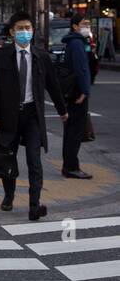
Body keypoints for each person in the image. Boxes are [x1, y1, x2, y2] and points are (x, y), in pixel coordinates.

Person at [0, 12, 68, 220]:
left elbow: (53, 85)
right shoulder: (1, 56)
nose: (25, 32)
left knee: (35, 160)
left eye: (28, 28)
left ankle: (34, 204)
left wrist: (62, 110)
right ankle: (9, 196)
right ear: (12, 32)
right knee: (8, 159)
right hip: (8, 116)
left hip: (33, 115)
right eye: (21, 28)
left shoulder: (41, 56)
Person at [60, 12, 93, 180]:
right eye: (84, 23)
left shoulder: (73, 42)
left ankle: (69, 166)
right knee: (75, 132)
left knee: (71, 130)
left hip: (71, 91)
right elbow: (81, 69)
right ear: (75, 26)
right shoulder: (77, 43)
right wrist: (84, 91)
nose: (87, 26)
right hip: (77, 93)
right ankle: (71, 167)